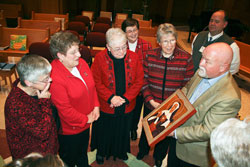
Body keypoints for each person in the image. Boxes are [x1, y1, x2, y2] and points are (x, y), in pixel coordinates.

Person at [167, 42, 241, 167]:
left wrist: (174, 133)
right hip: (176, 141)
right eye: (202, 57)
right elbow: (187, 89)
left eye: (208, 61)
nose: (201, 63)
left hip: (193, 154)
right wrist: (169, 108)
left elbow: (208, 130)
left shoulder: (229, 98)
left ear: (223, 67)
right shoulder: (202, 72)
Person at [138, 23, 194, 167]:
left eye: (172, 40)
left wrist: (171, 104)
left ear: (176, 39)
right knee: (147, 129)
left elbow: (187, 86)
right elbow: (143, 80)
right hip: (152, 102)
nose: (169, 45)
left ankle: (158, 156)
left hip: (172, 106)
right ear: (158, 42)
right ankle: (143, 150)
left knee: (165, 133)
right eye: (165, 41)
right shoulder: (149, 56)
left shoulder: (186, 58)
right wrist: (150, 100)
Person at [90, 28, 144, 164]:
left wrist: (125, 98)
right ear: (108, 47)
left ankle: (120, 151)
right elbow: (96, 81)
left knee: (123, 129)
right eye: (117, 49)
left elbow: (139, 81)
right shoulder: (99, 58)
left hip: (127, 104)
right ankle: (102, 152)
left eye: (124, 47)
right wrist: (111, 97)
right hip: (106, 104)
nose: (122, 52)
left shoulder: (134, 57)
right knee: (104, 130)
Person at [49, 31, 100, 167]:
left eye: (78, 49)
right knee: (69, 159)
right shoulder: (55, 77)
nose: (79, 54)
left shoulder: (81, 63)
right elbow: (65, 111)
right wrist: (86, 119)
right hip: (70, 130)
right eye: (73, 52)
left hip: (85, 123)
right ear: (60, 56)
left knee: (82, 152)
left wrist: (96, 106)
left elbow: (92, 86)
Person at [4, 54, 58, 160]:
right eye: (45, 79)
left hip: (47, 151)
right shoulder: (16, 104)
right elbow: (43, 132)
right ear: (28, 82)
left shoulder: (36, 88)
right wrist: (44, 101)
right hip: (32, 158)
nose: (50, 80)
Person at [121, 18, 152, 141]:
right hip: (124, 86)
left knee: (136, 110)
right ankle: (123, 129)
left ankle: (133, 128)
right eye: (129, 31)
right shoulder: (121, 46)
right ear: (124, 33)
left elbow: (148, 67)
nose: (133, 33)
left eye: (135, 30)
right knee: (124, 110)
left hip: (140, 87)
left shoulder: (146, 45)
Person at [192, 10, 240, 74]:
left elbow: (234, 69)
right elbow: (193, 54)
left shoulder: (231, 45)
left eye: (217, 22)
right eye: (211, 20)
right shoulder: (199, 36)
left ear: (224, 24)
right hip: (193, 76)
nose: (212, 24)